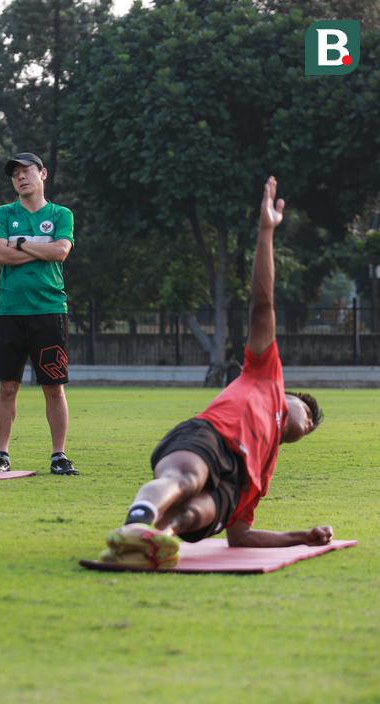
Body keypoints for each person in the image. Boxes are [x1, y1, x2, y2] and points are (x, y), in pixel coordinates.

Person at [99, 177, 328, 569]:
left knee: (202, 511)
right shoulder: (266, 376)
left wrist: (302, 538)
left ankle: (156, 541)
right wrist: (266, 232)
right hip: (212, 437)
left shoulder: (262, 474)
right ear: (289, 396)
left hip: (235, 476)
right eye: (306, 414)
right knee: (186, 479)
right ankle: (136, 523)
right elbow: (263, 304)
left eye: (308, 429)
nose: (306, 425)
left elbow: (241, 535)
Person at [0, 152, 79, 477]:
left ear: (43, 174)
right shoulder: (3, 213)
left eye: (27, 171)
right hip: (10, 310)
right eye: (15, 174)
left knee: (54, 387)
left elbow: (61, 251)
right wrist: (39, 249)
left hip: (49, 311)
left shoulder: (60, 214)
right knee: (7, 386)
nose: (21, 177)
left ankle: (59, 455)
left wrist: (20, 246)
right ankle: (1, 454)